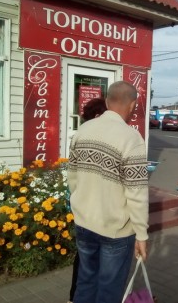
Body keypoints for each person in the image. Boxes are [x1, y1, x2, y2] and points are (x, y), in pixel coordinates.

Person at [68, 81, 149, 303]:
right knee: (109, 291)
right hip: (116, 231)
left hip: (84, 223)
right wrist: (141, 234)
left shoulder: (83, 130)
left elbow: (72, 178)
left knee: (85, 282)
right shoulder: (131, 140)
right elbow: (137, 193)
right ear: (133, 105)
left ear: (106, 101)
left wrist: (81, 204)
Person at [68, 97, 107, 303]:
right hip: (93, 212)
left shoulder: (80, 136)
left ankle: (75, 297)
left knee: (85, 260)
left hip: (82, 210)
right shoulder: (91, 138)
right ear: (98, 116)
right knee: (89, 262)